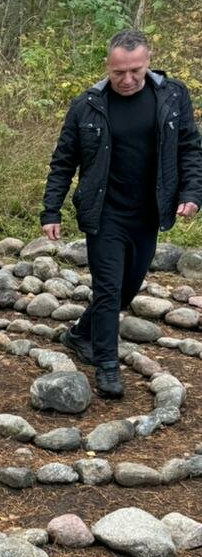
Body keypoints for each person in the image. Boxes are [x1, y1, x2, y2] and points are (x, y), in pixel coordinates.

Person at [40, 29, 202, 398]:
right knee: (109, 289)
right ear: (107, 67)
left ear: (148, 62)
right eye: (118, 72)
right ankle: (107, 368)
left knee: (127, 288)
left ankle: (80, 334)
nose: (127, 79)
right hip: (105, 212)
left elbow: (190, 148)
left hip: (148, 212)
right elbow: (63, 162)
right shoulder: (86, 106)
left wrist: (192, 192)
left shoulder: (173, 96)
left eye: (135, 71)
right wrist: (51, 210)